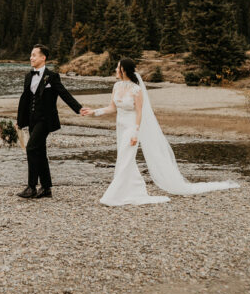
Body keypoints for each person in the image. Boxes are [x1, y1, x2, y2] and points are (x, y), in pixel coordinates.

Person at [85, 57, 240, 206]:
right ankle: (135, 189)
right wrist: (94, 112)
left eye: (118, 67)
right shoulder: (116, 87)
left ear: (124, 70)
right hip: (120, 127)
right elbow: (112, 107)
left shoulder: (136, 89)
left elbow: (139, 113)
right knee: (125, 160)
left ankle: (114, 195)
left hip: (132, 128)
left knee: (125, 159)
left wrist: (136, 133)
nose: (115, 69)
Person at [16, 44, 91, 199]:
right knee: (40, 152)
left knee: (31, 148)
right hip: (32, 119)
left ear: (43, 58)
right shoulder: (29, 76)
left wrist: (78, 108)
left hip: (45, 120)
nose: (31, 58)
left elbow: (64, 93)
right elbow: (25, 99)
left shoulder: (52, 76)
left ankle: (31, 187)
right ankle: (46, 188)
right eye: (31, 55)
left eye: (34, 55)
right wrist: (20, 120)